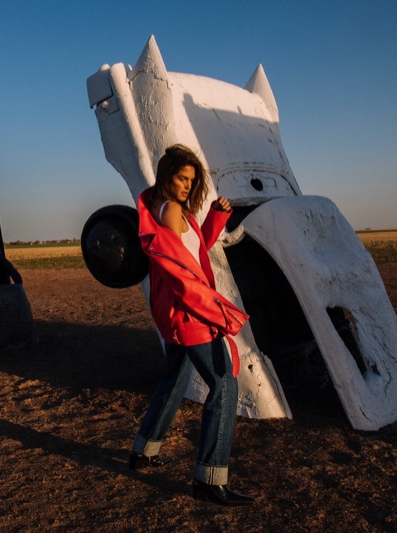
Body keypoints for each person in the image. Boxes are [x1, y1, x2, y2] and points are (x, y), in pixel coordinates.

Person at [129, 144, 254, 506]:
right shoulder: (168, 211)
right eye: (182, 178)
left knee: (175, 379)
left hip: (180, 311)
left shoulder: (173, 211)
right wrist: (217, 310)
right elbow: (180, 273)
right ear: (167, 175)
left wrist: (214, 218)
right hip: (189, 312)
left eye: (192, 180)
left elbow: (195, 252)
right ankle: (209, 478)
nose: (187, 185)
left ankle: (143, 452)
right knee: (225, 387)